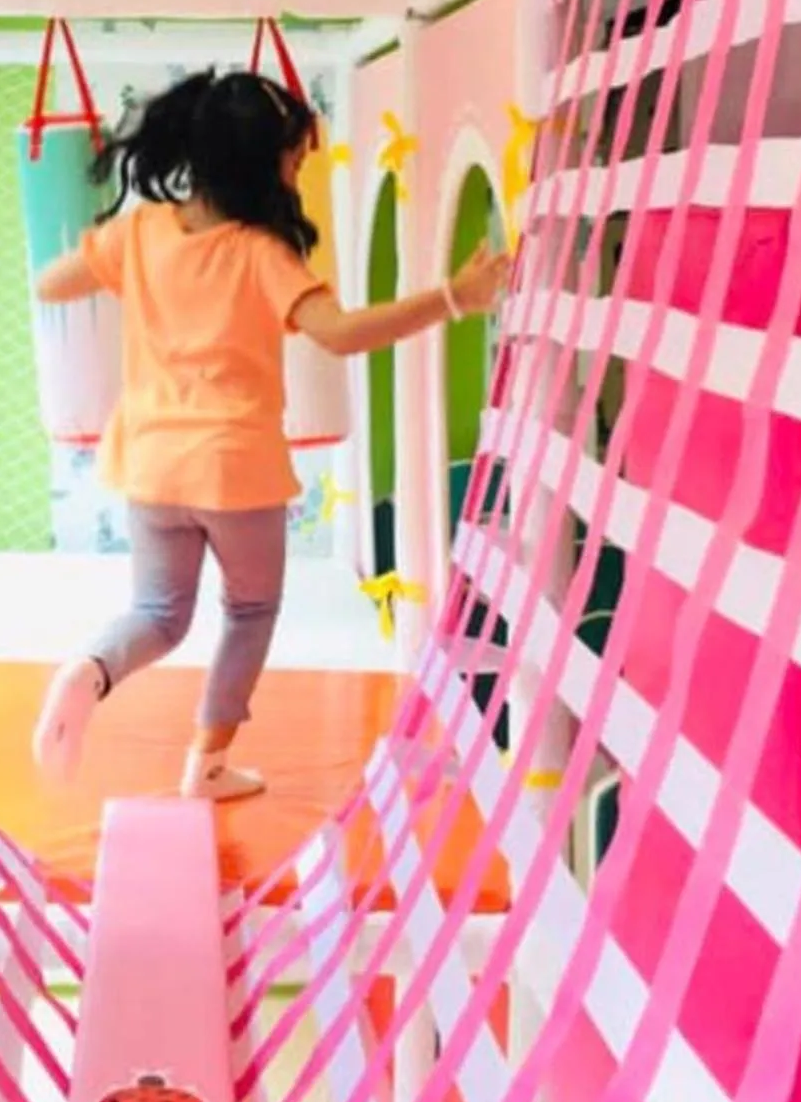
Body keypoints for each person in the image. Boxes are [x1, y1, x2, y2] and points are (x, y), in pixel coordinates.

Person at [29, 69, 511, 801]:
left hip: (152, 465)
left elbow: (51, 284)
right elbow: (344, 335)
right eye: (293, 158)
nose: (297, 171)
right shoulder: (261, 253)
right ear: (262, 166)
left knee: (158, 615)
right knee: (249, 611)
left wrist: (123, 263)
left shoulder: (142, 231)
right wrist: (454, 296)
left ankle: (89, 670)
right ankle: (207, 765)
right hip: (233, 470)